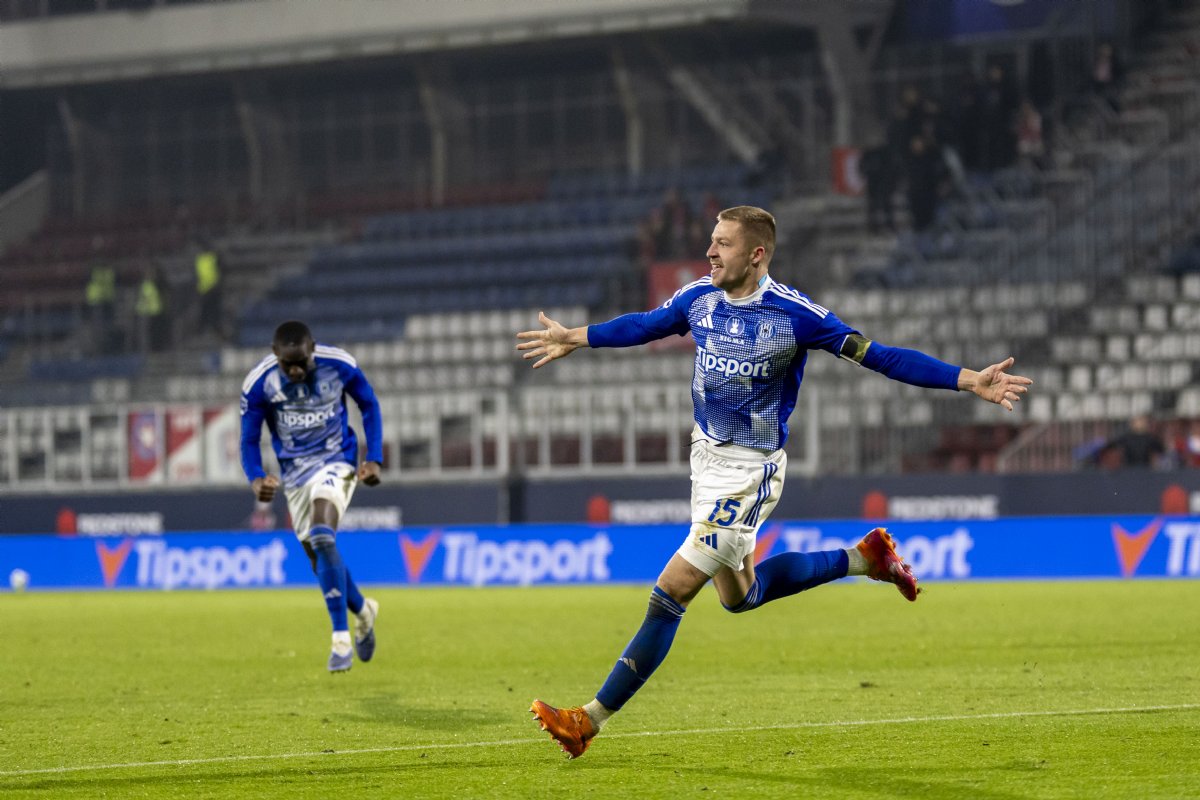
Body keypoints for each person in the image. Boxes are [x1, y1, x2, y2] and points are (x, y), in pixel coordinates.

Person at [516, 205, 1032, 758]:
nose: (710, 252)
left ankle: (588, 720)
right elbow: (644, 326)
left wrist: (967, 380)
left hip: (749, 472)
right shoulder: (699, 298)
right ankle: (865, 559)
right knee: (741, 597)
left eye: (723, 243)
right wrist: (577, 336)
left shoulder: (795, 315)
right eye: (712, 241)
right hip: (705, 461)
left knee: (673, 590)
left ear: (756, 254)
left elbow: (880, 357)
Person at [240, 320, 384, 672]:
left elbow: (369, 404)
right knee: (320, 556)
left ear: (313, 349)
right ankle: (364, 612)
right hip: (294, 475)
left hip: (337, 460)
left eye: (302, 362)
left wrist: (374, 458)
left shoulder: (339, 364)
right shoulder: (259, 383)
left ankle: (340, 640)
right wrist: (256, 478)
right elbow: (248, 439)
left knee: (322, 535)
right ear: (275, 354)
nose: (295, 370)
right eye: (287, 364)